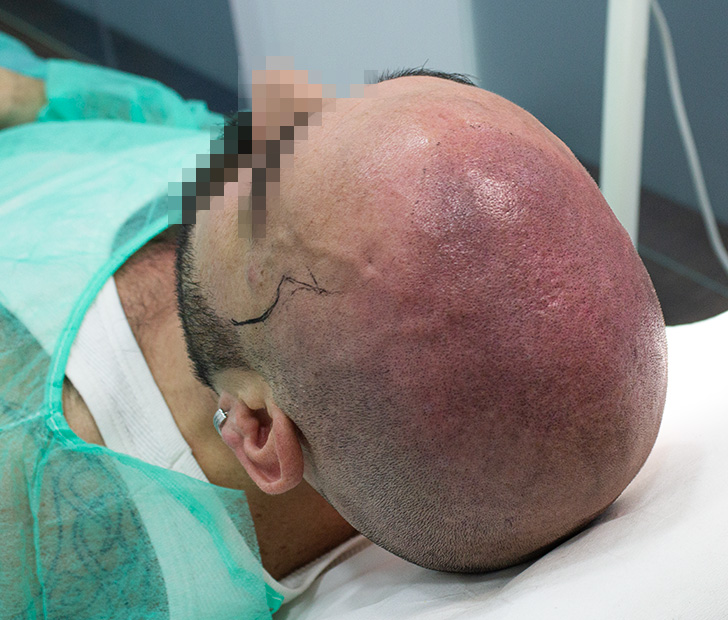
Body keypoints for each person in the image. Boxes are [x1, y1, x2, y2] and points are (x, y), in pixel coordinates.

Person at [0, 33, 666, 618]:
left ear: (259, 433)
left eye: (268, 180)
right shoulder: (314, 246)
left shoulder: (43, 532)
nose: (276, 119)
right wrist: (36, 98)